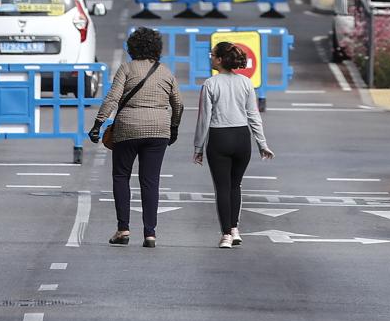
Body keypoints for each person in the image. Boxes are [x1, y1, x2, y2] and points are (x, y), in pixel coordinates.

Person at [88, 27, 184, 248]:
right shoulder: (165, 72)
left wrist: (98, 124)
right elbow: (178, 103)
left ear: (132, 48)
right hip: (159, 130)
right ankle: (150, 234)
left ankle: (123, 229)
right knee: (150, 181)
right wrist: (174, 126)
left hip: (128, 128)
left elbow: (112, 98)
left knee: (121, 176)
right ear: (156, 48)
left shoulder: (127, 69)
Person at [194, 42, 274, 248]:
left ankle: (226, 234)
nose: (210, 58)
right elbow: (253, 115)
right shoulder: (246, 83)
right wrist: (262, 143)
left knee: (221, 188)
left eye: (213, 55)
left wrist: (198, 147)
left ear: (220, 60)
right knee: (235, 185)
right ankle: (235, 228)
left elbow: (204, 118)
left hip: (219, 137)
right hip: (242, 138)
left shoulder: (210, 84)